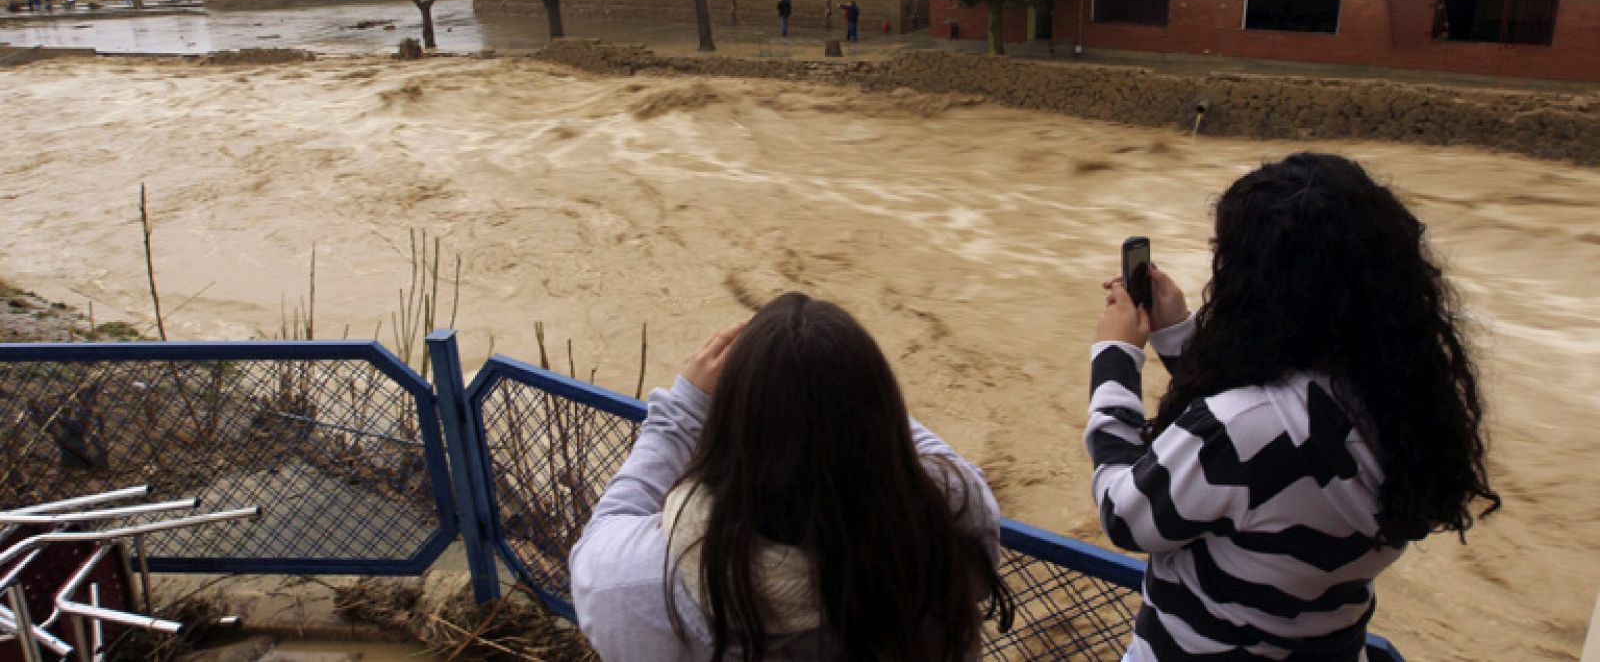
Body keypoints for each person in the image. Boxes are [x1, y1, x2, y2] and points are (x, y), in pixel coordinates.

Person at [1086, 152, 1498, 661]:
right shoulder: (1402, 405)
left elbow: (1124, 514)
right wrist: (1177, 334)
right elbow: (1277, 425)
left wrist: (1116, 357)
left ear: (1260, 286)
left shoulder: (1237, 432)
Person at [572, 292, 1013, 661]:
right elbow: (941, 466)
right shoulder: (944, 525)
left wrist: (683, 407)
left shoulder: (641, 585)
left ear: (728, 427)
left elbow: (602, 534)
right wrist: (840, 389)